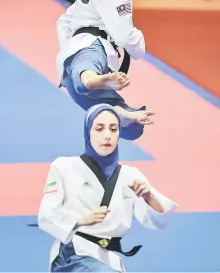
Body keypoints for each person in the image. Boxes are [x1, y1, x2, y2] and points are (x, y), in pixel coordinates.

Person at [38, 104, 177, 272]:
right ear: (87, 131)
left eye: (113, 129)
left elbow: (160, 220)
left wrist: (148, 197)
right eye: (99, 129)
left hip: (109, 259)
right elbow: (46, 215)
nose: (107, 136)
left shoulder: (131, 175)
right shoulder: (64, 167)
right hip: (73, 254)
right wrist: (80, 221)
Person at [56, 0, 154, 141]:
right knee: (88, 76)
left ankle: (108, 97)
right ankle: (91, 78)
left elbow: (64, 21)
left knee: (130, 125)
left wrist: (69, 52)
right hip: (92, 52)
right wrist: (139, 46)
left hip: (71, 68)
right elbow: (123, 36)